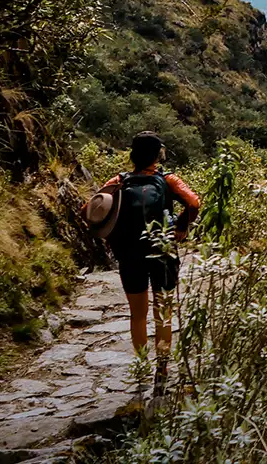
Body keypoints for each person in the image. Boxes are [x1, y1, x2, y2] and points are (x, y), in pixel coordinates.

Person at [83, 131, 201, 395]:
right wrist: (181, 226)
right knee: (163, 313)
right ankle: (162, 367)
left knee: (138, 314)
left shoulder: (119, 181)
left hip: (130, 253)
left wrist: (110, 232)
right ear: (158, 154)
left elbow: (87, 209)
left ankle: (140, 364)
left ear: (133, 154)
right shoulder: (167, 179)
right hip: (163, 251)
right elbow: (194, 202)